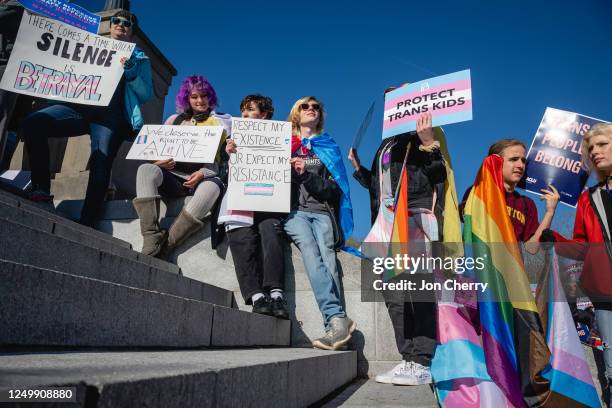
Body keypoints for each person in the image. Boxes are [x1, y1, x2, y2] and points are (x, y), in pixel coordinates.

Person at [21, 10, 152, 227]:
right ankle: (41, 188)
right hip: (79, 110)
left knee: (101, 162)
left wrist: (131, 73)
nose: (120, 25)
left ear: (132, 32)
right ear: (110, 25)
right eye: (116, 21)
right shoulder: (88, 46)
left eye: (126, 24)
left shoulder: (139, 58)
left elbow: (146, 94)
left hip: (110, 117)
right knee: (34, 123)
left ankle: (88, 220)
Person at [349, 111, 444, 386]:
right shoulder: (387, 144)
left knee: (417, 288)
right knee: (392, 292)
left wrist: (429, 145)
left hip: (414, 215)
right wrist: (359, 169)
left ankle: (423, 361)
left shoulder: (422, 136)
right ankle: (408, 359)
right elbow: (380, 188)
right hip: (386, 222)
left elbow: (438, 176)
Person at [541, 123, 612, 407]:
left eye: (602, 144)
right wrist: (553, 237)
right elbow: (583, 245)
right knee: (611, 365)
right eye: (590, 148)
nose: (595, 152)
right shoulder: (588, 197)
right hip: (606, 292)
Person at [283, 96, 356, 350]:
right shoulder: (283, 144)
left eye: (316, 107)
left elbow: (335, 190)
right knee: (312, 255)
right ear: (296, 113)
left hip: (322, 212)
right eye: (305, 106)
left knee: (329, 261)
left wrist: (306, 175)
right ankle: (337, 319)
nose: (311, 110)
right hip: (294, 213)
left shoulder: (328, 146)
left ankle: (335, 330)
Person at [132, 75, 229, 259]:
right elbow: (157, 150)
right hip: (172, 177)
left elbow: (219, 162)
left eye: (204, 95)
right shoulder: (173, 120)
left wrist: (202, 173)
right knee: (145, 169)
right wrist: (159, 162)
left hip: (201, 178)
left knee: (212, 187)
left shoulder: (218, 123)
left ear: (210, 97)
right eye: (194, 96)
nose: (200, 100)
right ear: (187, 98)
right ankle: (151, 236)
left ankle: (168, 244)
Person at [220, 94, 289, 319]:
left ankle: (276, 294)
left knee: (271, 235)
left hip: (268, 201)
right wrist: (226, 153)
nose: (246, 114)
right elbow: (221, 170)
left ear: (265, 114)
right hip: (239, 201)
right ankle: (257, 296)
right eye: (244, 111)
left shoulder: (280, 139)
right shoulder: (233, 139)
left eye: (251, 109)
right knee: (242, 243)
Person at [460, 139, 560, 249]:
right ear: (496, 163)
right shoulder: (477, 192)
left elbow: (532, 248)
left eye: (523, 161)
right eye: (514, 159)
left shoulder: (527, 204)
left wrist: (550, 212)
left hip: (512, 264)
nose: (520, 165)